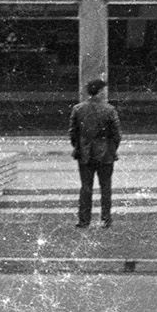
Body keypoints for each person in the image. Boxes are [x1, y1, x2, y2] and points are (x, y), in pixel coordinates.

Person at [67, 78, 124, 227]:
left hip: (85, 153)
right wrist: (112, 148)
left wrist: (79, 147)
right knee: (106, 188)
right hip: (106, 154)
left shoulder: (78, 109)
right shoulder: (110, 110)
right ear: (100, 92)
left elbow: (73, 133)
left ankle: (84, 220)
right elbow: (117, 134)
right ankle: (106, 219)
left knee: (86, 187)